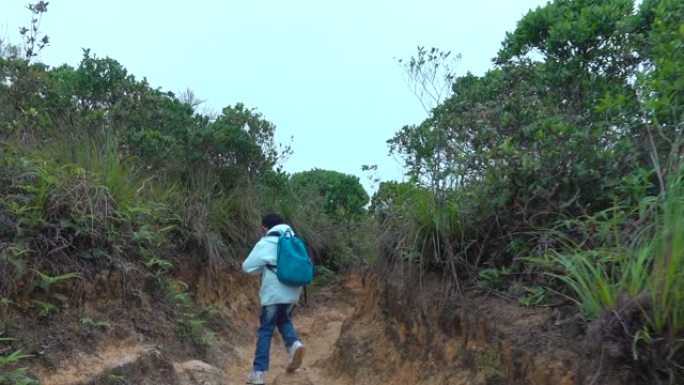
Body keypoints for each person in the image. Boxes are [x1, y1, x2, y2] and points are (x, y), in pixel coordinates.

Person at [242, 213, 306, 385]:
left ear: (264, 227)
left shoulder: (266, 242)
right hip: (293, 291)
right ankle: (294, 345)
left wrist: (263, 267)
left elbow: (247, 267)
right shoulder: (294, 240)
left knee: (266, 330)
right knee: (283, 320)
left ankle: (258, 373)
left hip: (273, 292)